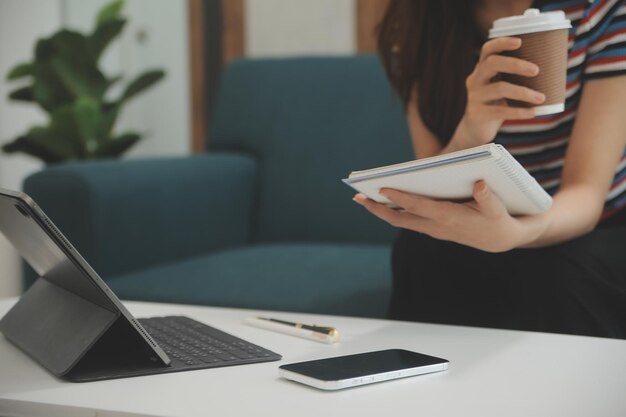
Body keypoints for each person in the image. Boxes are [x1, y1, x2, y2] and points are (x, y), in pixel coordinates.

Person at [353, 0, 626, 338]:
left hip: (597, 223)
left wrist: (517, 234)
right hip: (484, 217)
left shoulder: (601, 10)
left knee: (565, 272)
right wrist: (472, 130)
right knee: (421, 251)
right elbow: (435, 183)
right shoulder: (418, 21)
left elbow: (587, 191)